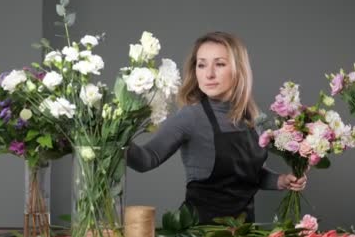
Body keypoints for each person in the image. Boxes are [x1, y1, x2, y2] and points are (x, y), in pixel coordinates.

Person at [127, 31, 306, 225]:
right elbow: (146, 160)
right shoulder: (190, 116)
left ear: (238, 69)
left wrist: (280, 180)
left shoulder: (254, 117)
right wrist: (114, 136)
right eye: (201, 64)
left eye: (219, 64)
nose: (209, 74)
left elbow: (250, 175)